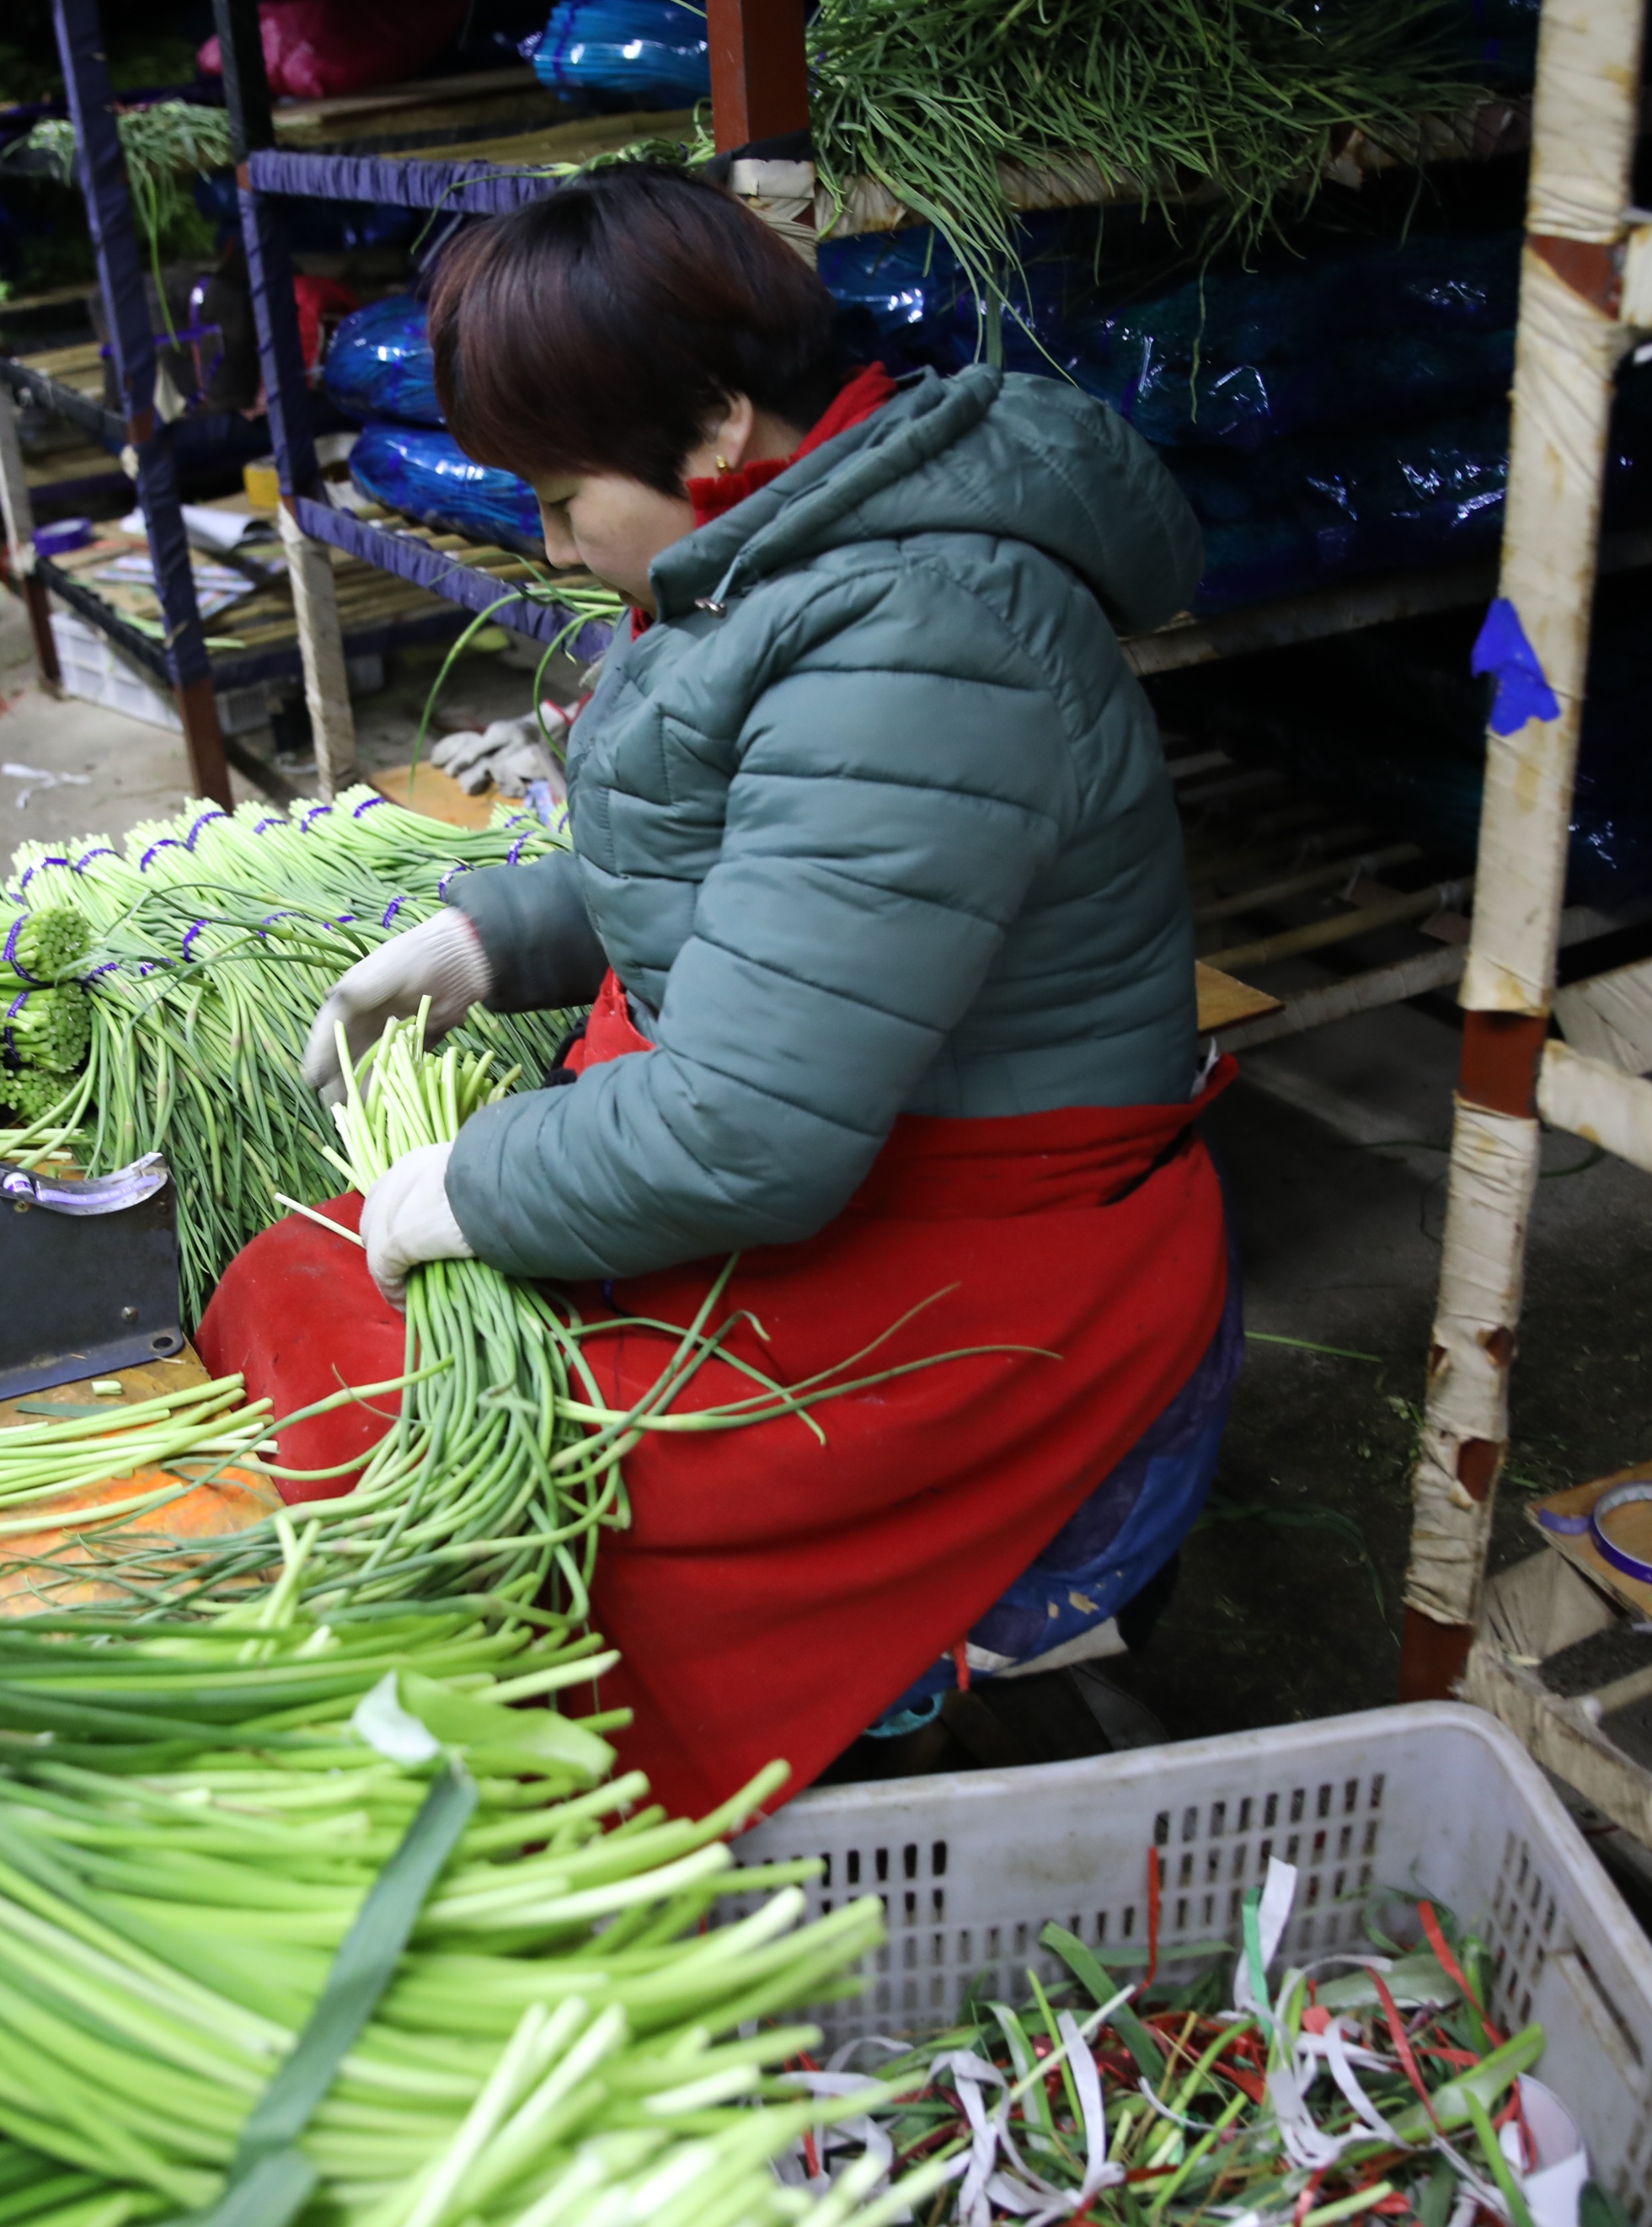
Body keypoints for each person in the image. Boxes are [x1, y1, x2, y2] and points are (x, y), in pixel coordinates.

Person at [195, 168, 1237, 1823]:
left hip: (980, 1245)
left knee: (448, 1455)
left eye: (556, 493)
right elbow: (755, 875)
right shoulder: (788, 553)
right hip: (846, 1138)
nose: (543, 541)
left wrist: (466, 1182)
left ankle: (759, 1754)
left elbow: (750, 1131)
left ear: (710, 424)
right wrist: (495, 938)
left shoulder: (923, 633)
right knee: (305, 1297)